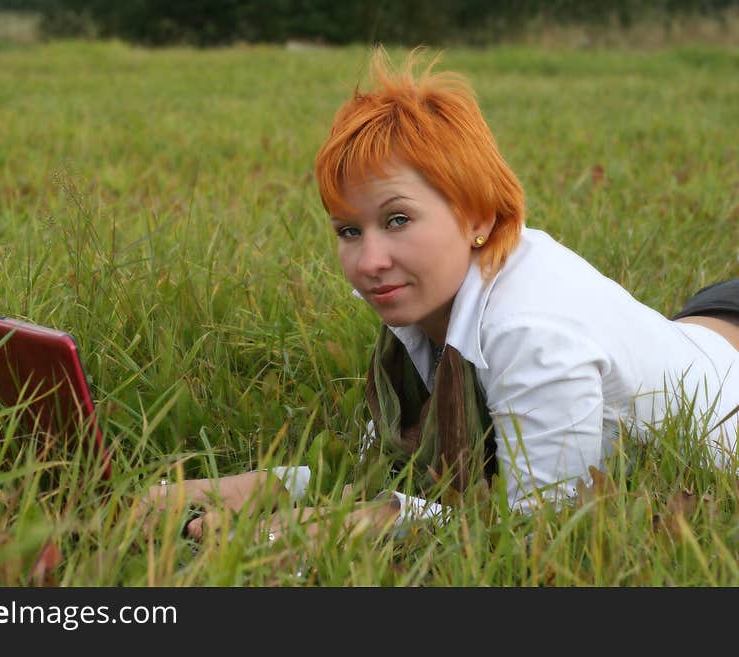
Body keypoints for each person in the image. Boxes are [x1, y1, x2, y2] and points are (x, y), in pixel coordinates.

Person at [140, 47, 739, 542]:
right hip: (704, 329)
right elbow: (384, 465)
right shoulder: (419, 294)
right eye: (350, 230)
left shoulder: (531, 336)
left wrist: (362, 525)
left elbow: (545, 531)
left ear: (476, 213)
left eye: (398, 220)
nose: (369, 262)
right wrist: (232, 487)